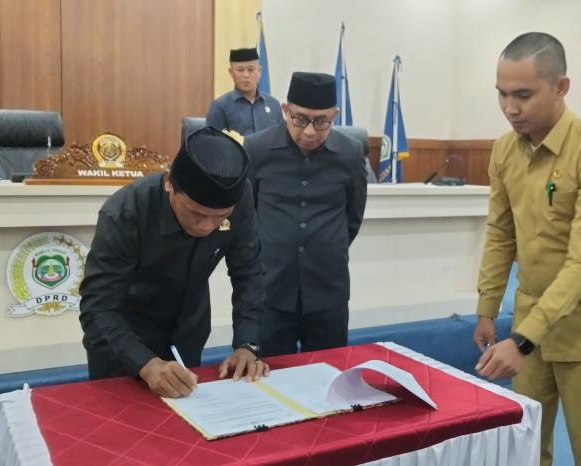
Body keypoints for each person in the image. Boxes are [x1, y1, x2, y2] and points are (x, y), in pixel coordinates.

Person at [472, 32, 581, 466]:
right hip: (531, 321)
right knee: (526, 447)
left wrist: (521, 341)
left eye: (523, 95)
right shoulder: (505, 150)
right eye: (502, 94)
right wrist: (487, 307)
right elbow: (501, 233)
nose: (510, 108)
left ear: (561, 87)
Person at [79, 127, 269, 398]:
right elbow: (98, 307)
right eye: (196, 213)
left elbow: (248, 272)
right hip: (122, 343)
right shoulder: (126, 212)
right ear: (169, 182)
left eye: (220, 217)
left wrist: (247, 344)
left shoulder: (241, 199)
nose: (206, 226)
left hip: (187, 334)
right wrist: (146, 364)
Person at [244, 72, 368, 357]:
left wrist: (324, 246)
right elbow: (247, 217)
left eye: (322, 121)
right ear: (285, 110)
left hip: (328, 289)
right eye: (300, 119)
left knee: (329, 372)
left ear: (335, 115)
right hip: (270, 289)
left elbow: (353, 218)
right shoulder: (256, 149)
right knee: (270, 373)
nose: (310, 131)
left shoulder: (350, 154)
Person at [205, 47, 283, 136]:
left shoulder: (274, 105)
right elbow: (212, 141)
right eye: (240, 70)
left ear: (259, 71)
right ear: (231, 72)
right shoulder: (219, 107)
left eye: (251, 70)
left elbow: (281, 138)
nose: (246, 75)